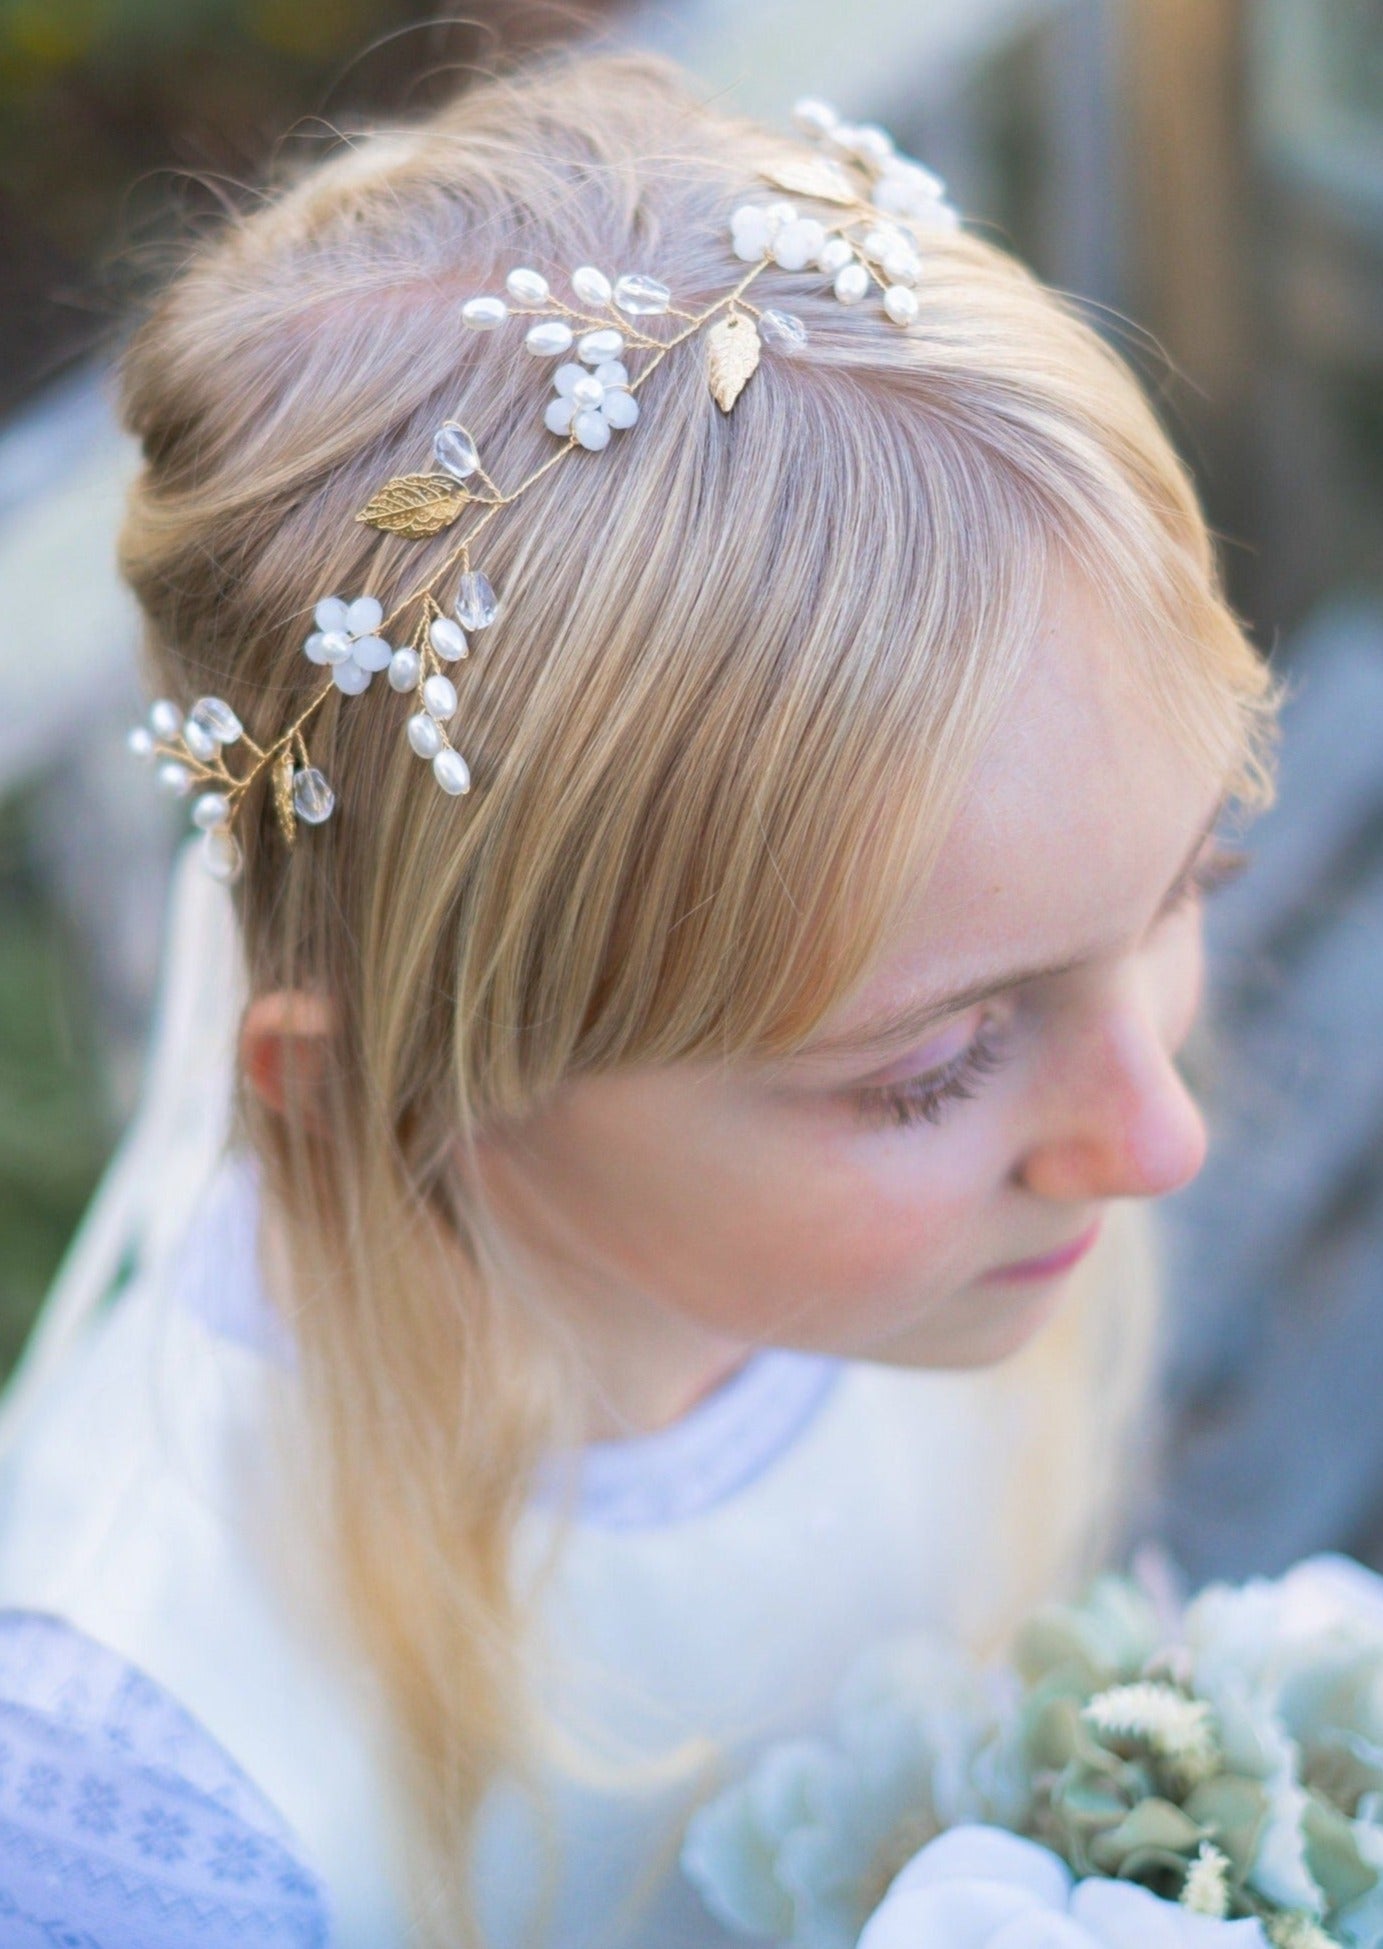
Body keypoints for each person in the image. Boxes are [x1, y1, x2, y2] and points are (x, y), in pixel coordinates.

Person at [0, 45, 1280, 1949]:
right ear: (384, 1098)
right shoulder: (148, 1793)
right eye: (936, 1065)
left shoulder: (953, 1287)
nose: (1160, 1137)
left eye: (1189, 886)